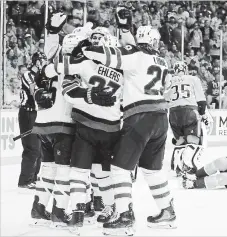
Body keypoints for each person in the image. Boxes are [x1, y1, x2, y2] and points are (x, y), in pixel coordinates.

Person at [82, 25, 176, 236]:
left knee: (119, 169)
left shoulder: (135, 54)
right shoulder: (162, 61)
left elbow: (107, 56)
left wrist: (86, 49)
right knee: (152, 170)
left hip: (140, 116)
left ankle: (124, 216)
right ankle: (167, 211)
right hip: (161, 117)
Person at [59, 31, 123, 233]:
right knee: (103, 174)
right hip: (111, 128)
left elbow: (68, 91)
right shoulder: (124, 71)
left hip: (86, 126)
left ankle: (78, 213)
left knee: (79, 171)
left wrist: (87, 93)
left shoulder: (84, 63)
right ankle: (112, 208)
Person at [29, 12, 77, 228]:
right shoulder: (72, 64)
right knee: (64, 170)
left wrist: (52, 32)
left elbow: (49, 53)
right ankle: (59, 212)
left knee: (47, 169)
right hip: (62, 124)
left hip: (42, 124)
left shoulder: (49, 64)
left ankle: (39, 209)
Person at [163, 61, 212, 176]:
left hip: (173, 112)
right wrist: (203, 113)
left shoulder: (170, 80)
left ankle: (176, 167)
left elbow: (165, 98)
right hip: (189, 110)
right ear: (185, 69)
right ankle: (188, 164)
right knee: (194, 141)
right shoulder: (193, 78)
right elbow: (201, 100)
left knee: (180, 140)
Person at [17, 52, 44, 189]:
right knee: (32, 148)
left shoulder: (41, 75)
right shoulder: (28, 74)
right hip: (27, 114)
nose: (44, 63)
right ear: (36, 61)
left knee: (39, 149)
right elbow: (36, 91)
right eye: (42, 60)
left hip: (36, 113)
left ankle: (33, 178)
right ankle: (25, 180)